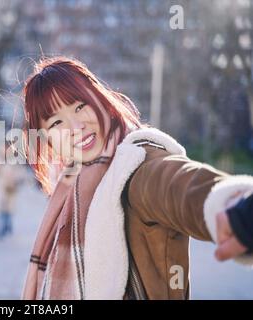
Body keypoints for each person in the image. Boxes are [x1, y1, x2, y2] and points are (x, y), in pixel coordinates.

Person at [20, 56, 253, 300]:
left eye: (80, 106)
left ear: (99, 101)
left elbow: (176, 185)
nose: (75, 126)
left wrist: (236, 207)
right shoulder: (71, 187)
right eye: (56, 122)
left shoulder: (135, 166)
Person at [0, 142, 25, 239]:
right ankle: (0, 226)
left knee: (9, 208)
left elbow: (21, 173)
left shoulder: (15, 161)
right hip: (1, 188)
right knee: (0, 208)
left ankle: (7, 224)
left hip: (12, 188)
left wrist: (15, 182)